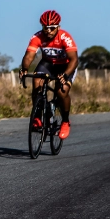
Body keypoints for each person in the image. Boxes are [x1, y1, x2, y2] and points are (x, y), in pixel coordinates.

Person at [19, 10, 78, 139]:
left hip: (66, 65)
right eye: (46, 28)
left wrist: (66, 75)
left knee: (61, 91)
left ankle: (65, 121)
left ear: (58, 27)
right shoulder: (37, 37)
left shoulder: (65, 37)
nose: (49, 31)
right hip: (48, 64)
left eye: (52, 28)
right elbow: (29, 56)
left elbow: (74, 59)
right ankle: (37, 117)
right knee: (36, 83)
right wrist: (24, 69)